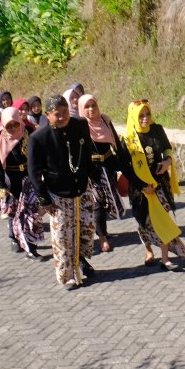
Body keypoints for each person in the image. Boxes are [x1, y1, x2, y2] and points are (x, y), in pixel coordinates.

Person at [27, 95, 96, 289]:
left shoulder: (80, 126)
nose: (63, 117)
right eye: (57, 114)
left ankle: (80, 261)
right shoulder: (38, 138)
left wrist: (96, 180)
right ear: (47, 115)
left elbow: (88, 155)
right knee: (63, 237)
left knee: (86, 230)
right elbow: (33, 172)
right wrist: (44, 199)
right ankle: (67, 276)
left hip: (82, 190)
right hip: (58, 194)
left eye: (65, 112)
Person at [125, 100, 185, 270]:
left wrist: (168, 161)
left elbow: (167, 148)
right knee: (143, 222)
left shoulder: (157, 129)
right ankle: (148, 251)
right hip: (141, 188)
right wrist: (141, 186)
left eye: (147, 114)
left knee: (163, 218)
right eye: (140, 115)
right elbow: (126, 168)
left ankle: (165, 258)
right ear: (133, 117)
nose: (145, 118)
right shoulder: (129, 139)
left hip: (159, 183)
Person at [78, 94, 129, 255]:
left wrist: (123, 162)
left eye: (93, 105)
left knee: (108, 198)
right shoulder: (80, 126)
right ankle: (102, 238)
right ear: (81, 109)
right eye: (87, 106)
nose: (91, 109)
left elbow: (115, 141)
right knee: (97, 201)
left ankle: (102, 230)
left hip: (109, 166)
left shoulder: (105, 120)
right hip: (92, 169)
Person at [0, 107, 43, 259]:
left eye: (16, 124)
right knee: (14, 213)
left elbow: (39, 155)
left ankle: (31, 248)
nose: (13, 128)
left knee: (32, 213)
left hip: (29, 177)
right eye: (9, 125)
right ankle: (15, 238)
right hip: (10, 181)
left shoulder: (29, 133)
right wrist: (1, 185)